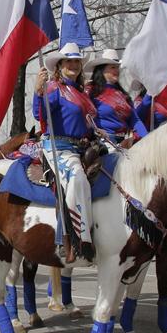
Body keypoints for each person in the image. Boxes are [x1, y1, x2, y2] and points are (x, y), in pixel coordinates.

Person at [33, 42, 97, 259]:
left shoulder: (82, 92)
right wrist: (38, 91)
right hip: (59, 147)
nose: (74, 65)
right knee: (78, 177)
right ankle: (70, 239)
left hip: (82, 146)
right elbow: (38, 112)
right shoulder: (54, 88)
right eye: (69, 61)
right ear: (59, 66)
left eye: (77, 61)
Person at [85, 49, 147, 146]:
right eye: (113, 67)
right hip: (103, 142)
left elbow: (135, 120)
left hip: (125, 141)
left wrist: (147, 139)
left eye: (117, 67)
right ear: (102, 70)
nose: (117, 71)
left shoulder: (123, 95)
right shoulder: (90, 91)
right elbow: (84, 116)